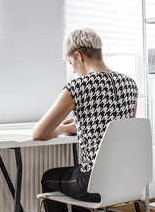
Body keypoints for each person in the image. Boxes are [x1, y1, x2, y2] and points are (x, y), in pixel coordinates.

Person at [32, 28, 138, 212]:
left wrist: (61, 130)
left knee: (49, 178)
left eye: (70, 62)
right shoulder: (130, 84)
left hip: (93, 184)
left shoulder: (78, 87)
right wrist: (78, 126)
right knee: (79, 175)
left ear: (78, 56)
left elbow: (39, 134)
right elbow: (120, 127)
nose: (72, 68)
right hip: (126, 179)